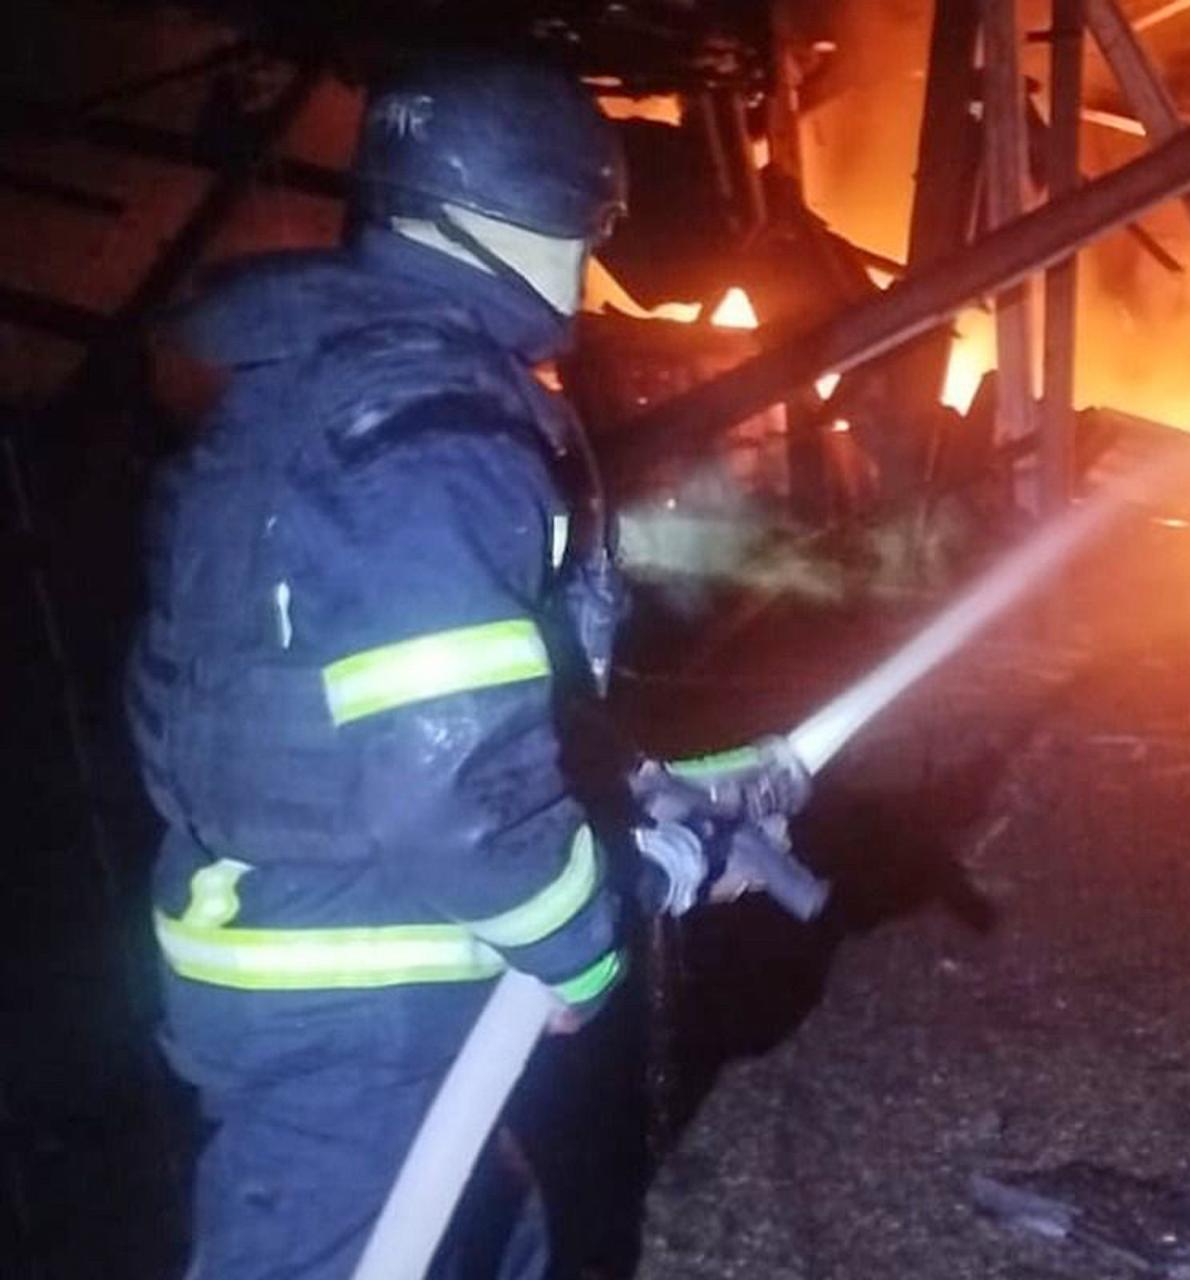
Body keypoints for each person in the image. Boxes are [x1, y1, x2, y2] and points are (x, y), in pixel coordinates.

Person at [126, 56, 806, 1278]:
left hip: (321, 950)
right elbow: (446, 773)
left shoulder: (321, 390)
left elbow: (409, 699)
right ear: (515, 217)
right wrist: (577, 939)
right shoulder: (436, 431)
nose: (588, 270)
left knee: (487, 1234)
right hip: (356, 991)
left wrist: (639, 792)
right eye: (585, 231)